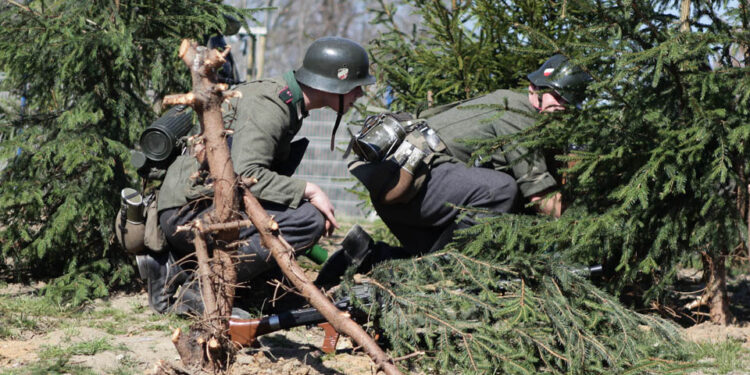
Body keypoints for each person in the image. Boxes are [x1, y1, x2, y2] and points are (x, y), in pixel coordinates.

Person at [137, 36, 375, 314]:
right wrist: (308, 189)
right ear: (334, 83)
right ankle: (205, 290)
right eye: (355, 86)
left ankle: (181, 267)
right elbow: (245, 173)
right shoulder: (271, 105)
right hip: (187, 213)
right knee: (309, 219)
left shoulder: (286, 101)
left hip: (197, 206)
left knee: (297, 216)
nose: (360, 94)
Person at [327, 54, 591, 281]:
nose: (561, 105)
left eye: (567, 101)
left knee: (425, 263)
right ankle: (453, 275)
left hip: (404, 188)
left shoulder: (503, 101)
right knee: (499, 191)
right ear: (535, 88)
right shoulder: (520, 113)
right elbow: (540, 196)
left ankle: (364, 256)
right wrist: (587, 230)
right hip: (415, 184)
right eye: (556, 95)